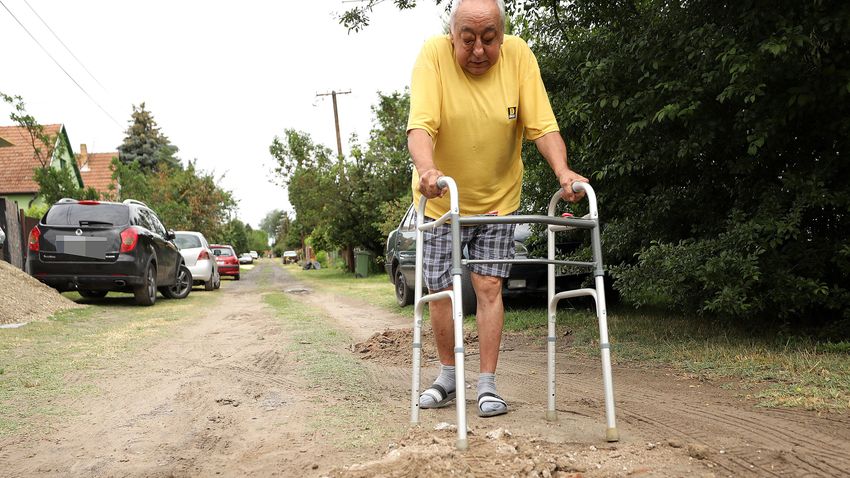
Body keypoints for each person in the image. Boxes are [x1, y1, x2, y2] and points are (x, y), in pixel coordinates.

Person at [407, 0, 588, 418]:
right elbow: (421, 125)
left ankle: (487, 385)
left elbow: (543, 125)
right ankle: (448, 376)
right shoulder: (432, 56)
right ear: (452, 36)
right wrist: (427, 169)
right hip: (442, 202)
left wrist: (563, 172)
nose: (478, 51)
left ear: (501, 36)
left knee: (489, 288)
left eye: (489, 39)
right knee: (442, 293)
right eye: (467, 40)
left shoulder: (519, 56)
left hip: (496, 201)